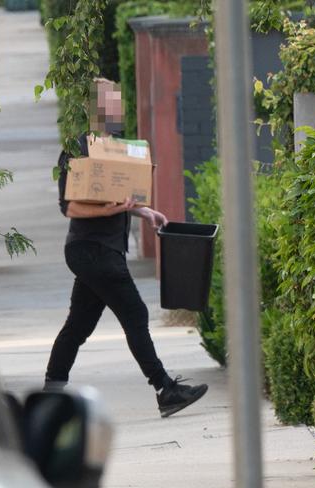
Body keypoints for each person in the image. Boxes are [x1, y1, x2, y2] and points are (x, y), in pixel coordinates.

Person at [44, 78, 208, 418]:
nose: (115, 108)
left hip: (102, 251)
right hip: (91, 250)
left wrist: (144, 211)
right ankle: (165, 388)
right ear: (94, 108)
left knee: (78, 326)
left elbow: (120, 197)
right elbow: (70, 208)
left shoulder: (117, 147)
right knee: (135, 313)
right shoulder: (78, 149)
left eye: (116, 102)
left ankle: (50, 393)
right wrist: (110, 211)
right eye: (108, 102)